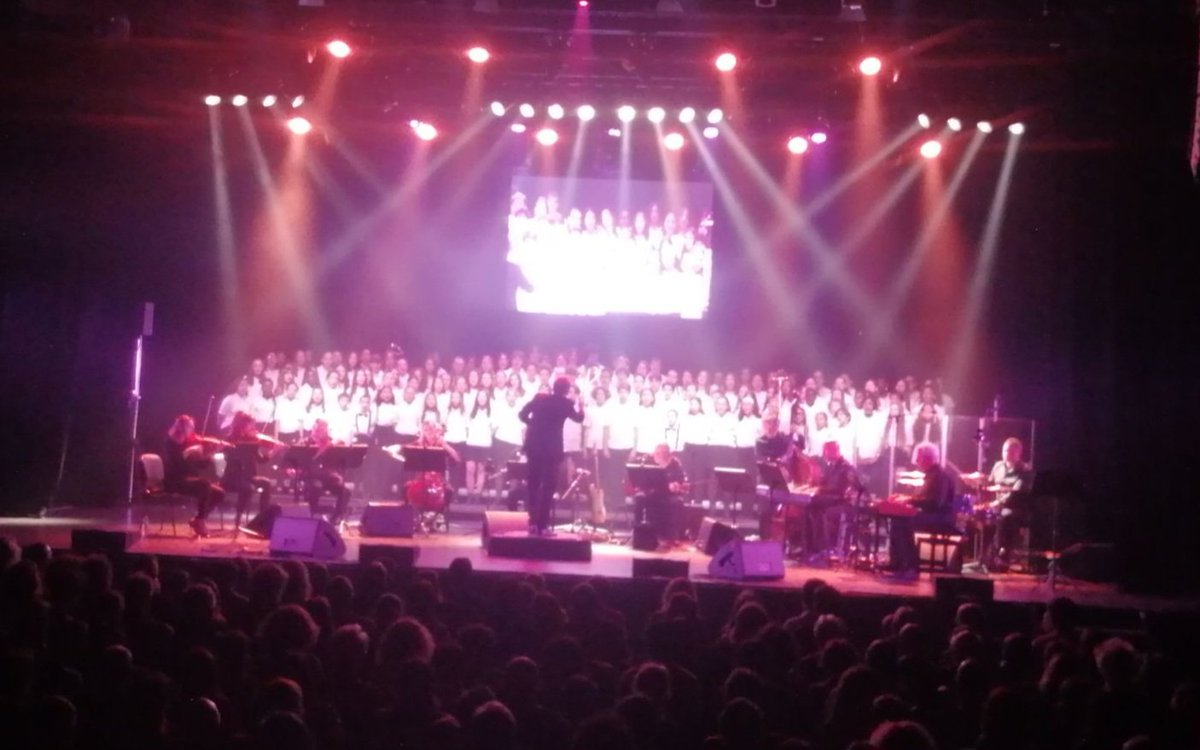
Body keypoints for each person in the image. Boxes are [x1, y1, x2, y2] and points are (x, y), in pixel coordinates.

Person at [518, 377, 584, 536]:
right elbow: (579, 419)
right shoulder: (566, 404)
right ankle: (542, 525)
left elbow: (522, 414)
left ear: (554, 388)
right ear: (567, 390)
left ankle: (531, 523)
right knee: (548, 488)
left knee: (533, 486)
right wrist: (581, 405)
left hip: (534, 447)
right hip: (551, 451)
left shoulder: (539, 398)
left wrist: (532, 424)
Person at [888, 441, 957, 576]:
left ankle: (910, 565)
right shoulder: (930, 475)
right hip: (932, 515)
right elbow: (922, 499)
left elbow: (935, 503)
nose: (916, 461)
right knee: (898, 519)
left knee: (903, 522)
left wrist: (908, 500)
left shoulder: (939, 476)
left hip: (941, 518)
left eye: (918, 458)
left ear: (927, 458)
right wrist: (904, 497)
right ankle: (898, 563)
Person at [162, 415, 226, 538]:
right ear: (182, 427)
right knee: (204, 485)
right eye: (190, 427)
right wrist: (188, 452)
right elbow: (177, 466)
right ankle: (201, 522)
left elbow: (200, 466)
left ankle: (198, 519)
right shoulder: (170, 443)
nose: (193, 430)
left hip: (186, 479)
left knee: (220, 493)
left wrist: (213, 452)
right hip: (174, 481)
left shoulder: (186, 443)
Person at [221, 411, 278, 537]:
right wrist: (244, 447)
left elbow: (261, 460)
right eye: (250, 425)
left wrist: (273, 451)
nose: (253, 428)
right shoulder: (230, 440)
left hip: (249, 477)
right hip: (232, 477)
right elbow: (229, 457)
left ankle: (263, 518)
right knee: (247, 487)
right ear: (242, 425)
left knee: (266, 484)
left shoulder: (253, 441)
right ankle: (238, 517)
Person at [807, 440, 861, 563]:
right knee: (810, 507)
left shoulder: (845, 467)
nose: (823, 454)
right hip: (829, 499)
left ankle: (823, 548)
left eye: (825, 451)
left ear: (833, 451)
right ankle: (814, 547)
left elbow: (839, 488)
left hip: (839, 502)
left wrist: (820, 489)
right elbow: (824, 482)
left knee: (816, 509)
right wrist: (814, 483)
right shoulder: (831, 466)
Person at [983, 437, 1032, 569]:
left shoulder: (1025, 470)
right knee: (978, 513)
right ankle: (985, 556)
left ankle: (1000, 553)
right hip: (996, 504)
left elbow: (1015, 494)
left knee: (1005, 516)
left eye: (1010, 451)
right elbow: (988, 484)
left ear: (1018, 453)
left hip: (1014, 507)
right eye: (1004, 451)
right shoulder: (997, 466)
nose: (1006, 454)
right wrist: (976, 483)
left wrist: (997, 502)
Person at [631, 442, 687, 545]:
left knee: (678, 502)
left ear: (669, 454)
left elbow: (681, 481)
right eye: (658, 452)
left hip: (668, 495)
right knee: (639, 498)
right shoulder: (647, 461)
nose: (661, 455)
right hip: (651, 493)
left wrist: (675, 485)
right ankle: (637, 532)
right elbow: (641, 480)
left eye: (664, 452)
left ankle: (673, 536)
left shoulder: (675, 464)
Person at [300, 418, 351, 526]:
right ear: (313, 429)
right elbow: (301, 462)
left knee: (345, 491)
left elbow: (340, 463)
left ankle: (336, 517)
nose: (319, 432)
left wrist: (338, 475)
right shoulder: (305, 442)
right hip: (311, 476)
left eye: (323, 429)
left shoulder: (333, 443)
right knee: (316, 487)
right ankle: (312, 514)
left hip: (328, 478)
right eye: (317, 429)